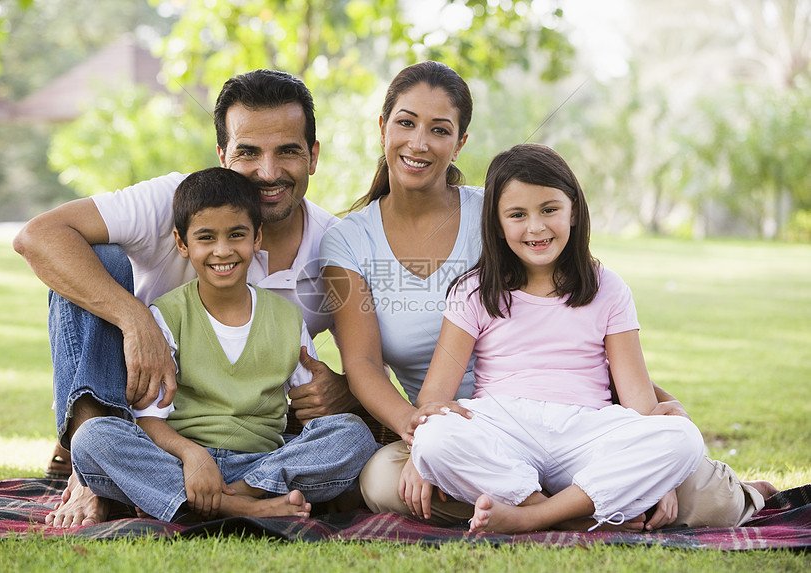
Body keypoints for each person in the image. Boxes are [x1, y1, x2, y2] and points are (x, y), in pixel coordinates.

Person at [320, 61, 773, 529]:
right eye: (406, 122)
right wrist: (419, 437)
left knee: (685, 466)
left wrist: (662, 408)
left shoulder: (500, 210)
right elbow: (365, 367)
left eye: (439, 129)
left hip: (582, 424)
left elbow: (578, 325)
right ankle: (564, 510)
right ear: (382, 127)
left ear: (460, 143)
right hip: (477, 432)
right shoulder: (351, 241)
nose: (419, 142)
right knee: (384, 483)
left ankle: (566, 508)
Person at [13, 69, 360, 528]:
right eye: (248, 152)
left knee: (350, 437)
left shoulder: (337, 247)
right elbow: (38, 237)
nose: (269, 172)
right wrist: (136, 320)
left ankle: (222, 494)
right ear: (221, 155)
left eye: (288, 151)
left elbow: (373, 362)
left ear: (313, 156)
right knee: (92, 257)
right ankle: (88, 473)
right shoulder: (176, 200)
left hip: (252, 445)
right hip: (146, 417)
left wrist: (345, 390)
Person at [407, 143, 707, 533]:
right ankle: (570, 515)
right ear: (497, 225)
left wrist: (656, 479)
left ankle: (530, 518)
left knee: (682, 437)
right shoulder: (473, 291)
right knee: (435, 438)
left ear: (574, 211)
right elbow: (433, 398)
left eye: (549, 210)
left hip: (586, 429)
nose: (536, 227)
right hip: (504, 424)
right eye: (517, 215)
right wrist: (421, 453)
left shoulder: (609, 289)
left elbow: (637, 403)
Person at [70, 167, 375, 522]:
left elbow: (316, 413)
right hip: (181, 464)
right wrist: (192, 456)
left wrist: (263, 474)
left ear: (256, 238)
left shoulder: (288, 320)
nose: (222, 250)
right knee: (93, 437)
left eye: (236, 235)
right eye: (206, 238)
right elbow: (148, 419)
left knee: (352, 435)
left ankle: (237, 495)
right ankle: (237, 507)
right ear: (183, 243)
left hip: (262, 465)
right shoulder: (166, 316)